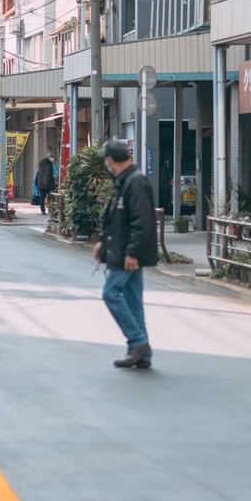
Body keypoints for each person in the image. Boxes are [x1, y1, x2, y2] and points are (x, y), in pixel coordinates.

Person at [94, 139, 159, 369]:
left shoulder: (135, 182)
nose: (106, 163)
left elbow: (142, 222)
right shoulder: (126, 181)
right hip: (124, 250)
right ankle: (142, 353)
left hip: (127, 253)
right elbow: (118, 219)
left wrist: (132, 253)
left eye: (106, 159)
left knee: (111, 293)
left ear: (111, 160)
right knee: (132, 300)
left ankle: (138, 342)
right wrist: (103, 243)